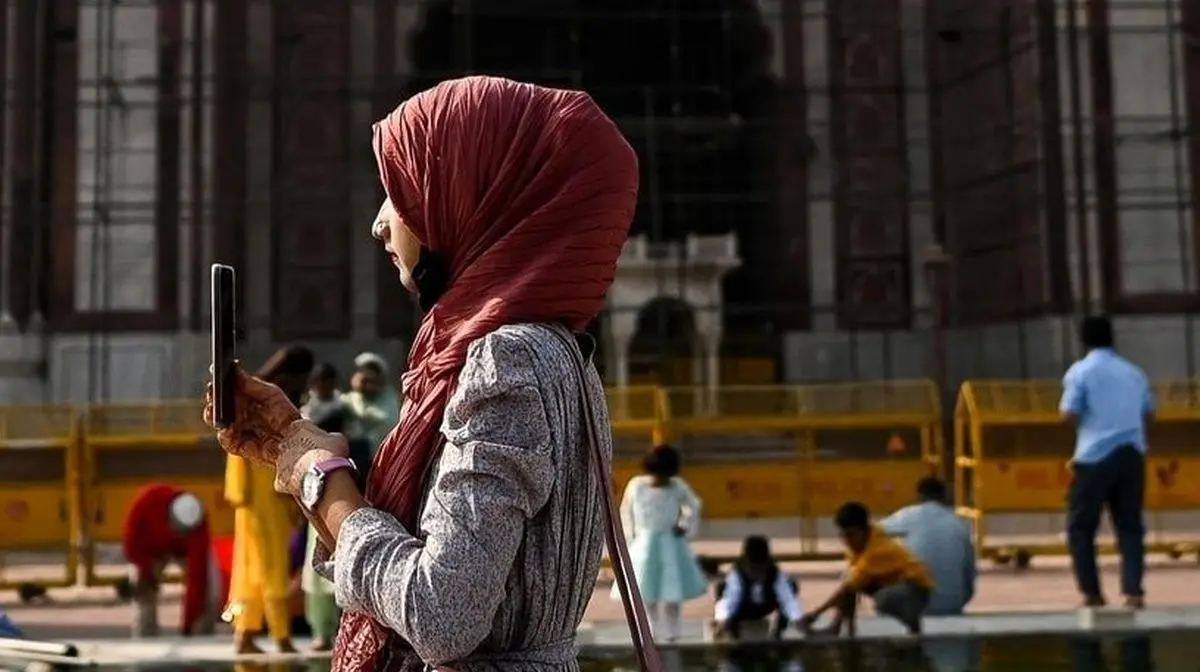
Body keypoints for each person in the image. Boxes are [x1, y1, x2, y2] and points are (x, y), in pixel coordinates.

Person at [203, 76, 642, 670]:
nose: (380, 224)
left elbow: (441, 615)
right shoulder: (558, 354)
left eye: (400, 192)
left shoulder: (506, 360)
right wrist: (290, 440)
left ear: (465, 195)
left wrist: (322, 480)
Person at [223, 346, 313, 654]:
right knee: (272, 564)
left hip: (254, 494)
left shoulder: (255, 394)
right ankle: (280, 635)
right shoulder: (266, 399)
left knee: (252, 565)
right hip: (265, 493)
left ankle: (245, 634)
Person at [1060, 315, 1154, 609]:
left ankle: (1092, 592)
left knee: (1081, 526)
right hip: (1132, 454)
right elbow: (1149, 412)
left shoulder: (1080, 372)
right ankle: (1133, 591)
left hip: (1094, 456)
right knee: (1130, 526)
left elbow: (1069, 412)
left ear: (1084, 340)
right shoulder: (1134, 373)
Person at [799, 502, 934, 637]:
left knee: (882, 599)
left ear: (863, 530)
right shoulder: (862, 543)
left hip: (917, 590)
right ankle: (839, 629)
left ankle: (913, 624)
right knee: (851, 582)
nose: (847, 541)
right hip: (896, 584)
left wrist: (815, 614)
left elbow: (847, 588)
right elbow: (850, 584)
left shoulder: (876, 551)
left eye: (851, 535)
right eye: (843, 535)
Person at [617, 444, 708, 642]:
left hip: (670, 544)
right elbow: (626, 511)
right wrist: (631, 537)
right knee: (646, 589)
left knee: (672, 590)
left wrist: (684, 525)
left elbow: (694, 505)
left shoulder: (677, 486)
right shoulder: (637, 485)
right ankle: (650, 630)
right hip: (644, 544)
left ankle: (673, 632)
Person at [121, 484, 218, 637]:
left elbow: (198, 577)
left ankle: (200, 633)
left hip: (182, 552)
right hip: (151, 550)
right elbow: (131, 546)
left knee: (208, 590)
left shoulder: (198, 523)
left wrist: (187, 627)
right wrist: (147, 575)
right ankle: (145, 636)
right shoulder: (146, 503)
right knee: (144, 593)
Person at [880, 477, 976, 615]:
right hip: (951, 604)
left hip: (914, 604)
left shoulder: (907, 515)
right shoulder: (959, 523)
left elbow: (872, 533)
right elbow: (969, 577)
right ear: (944, 496)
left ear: (919, 496)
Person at [302, 410, 348, 651]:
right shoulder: (311, 459)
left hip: (342, 522)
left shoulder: (351, 455)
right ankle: (322, 632)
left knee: (344, 576)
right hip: (320, 524)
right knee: (320, 579)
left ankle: (340, 630)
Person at [713, 536, 802, 640]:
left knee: (791, 586)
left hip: (765, 605)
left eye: (760, 568)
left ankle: (778, 634)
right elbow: (730, 600)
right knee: (722, 588)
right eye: (752, 568)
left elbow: (788, 600)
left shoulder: (775, 574)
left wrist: (798, 620)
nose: (756, 572)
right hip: (743, 608)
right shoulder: (737, 575)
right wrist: (723, 620)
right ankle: (734, 635)